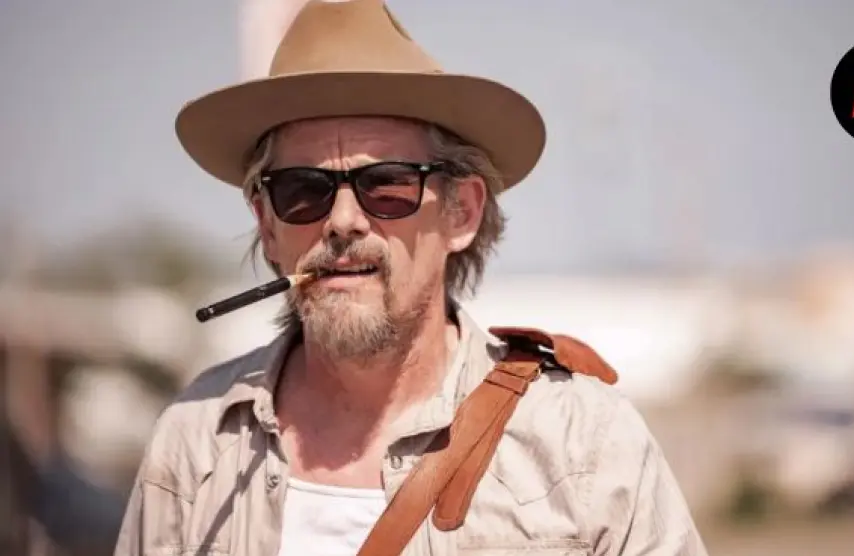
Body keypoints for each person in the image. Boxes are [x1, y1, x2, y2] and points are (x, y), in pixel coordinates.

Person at [114, 1, 708, 554]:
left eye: (388, 184)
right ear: (267, 225)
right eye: (302, 190)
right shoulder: (194, 445)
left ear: (462, 212)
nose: (343, 221)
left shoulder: (585, 445)